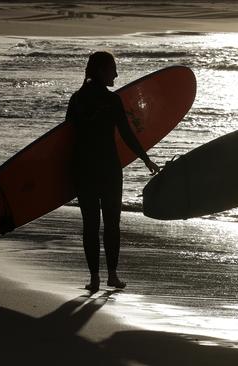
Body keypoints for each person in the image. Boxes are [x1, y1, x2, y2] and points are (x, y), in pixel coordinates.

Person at [65, 51, 160, 292]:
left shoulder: (76, 100)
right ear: (100, 71)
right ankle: (112, 275)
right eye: (112, 69)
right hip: (108, 168)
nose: (116, 74)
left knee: (90, 224)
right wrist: (145, 158)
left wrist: (65, 173)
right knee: (112, 224)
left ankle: (95, 277)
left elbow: (65, 138)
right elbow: (127, 135)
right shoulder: (112, 100)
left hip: (83, 168)